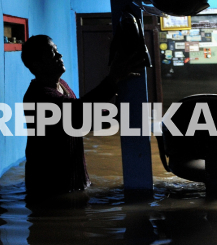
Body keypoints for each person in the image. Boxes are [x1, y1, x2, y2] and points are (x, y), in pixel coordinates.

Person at [21, 31, 146, 195]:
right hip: (50, 188)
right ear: (36, 64)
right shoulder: (39, 96)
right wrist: (113, 78)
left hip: (72, 182)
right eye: (52, 53)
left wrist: (116, 114)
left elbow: (79, 121)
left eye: (57, 49)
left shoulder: (62, 86)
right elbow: (77, 111)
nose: (59, 55)